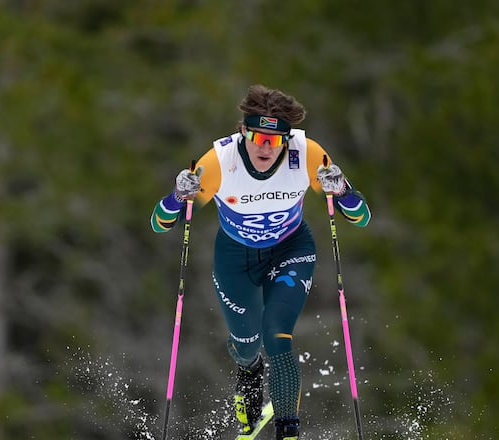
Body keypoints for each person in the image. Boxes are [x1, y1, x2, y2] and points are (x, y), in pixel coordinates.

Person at [150, 84, 370, 440]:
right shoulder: (219, 163)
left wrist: (342, 190)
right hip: (235, 258)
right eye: (258, 137)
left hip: (290, 248)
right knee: (248, 344)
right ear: (243, 131)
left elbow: (361, 218)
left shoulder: (307, 154)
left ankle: (288, 431)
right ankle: (248, 370)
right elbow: (159, 224)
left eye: (275, 139)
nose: (266, 147)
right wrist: (178, 197)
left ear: (287, 139)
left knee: (277, 335)